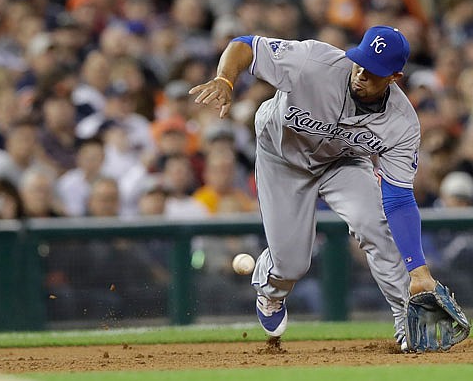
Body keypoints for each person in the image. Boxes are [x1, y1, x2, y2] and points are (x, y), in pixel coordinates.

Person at [189, 25, 458, 349]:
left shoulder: (401, 123)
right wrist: (225, 79)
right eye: (360, 62)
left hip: (342, 163)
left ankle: (405, 323)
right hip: (281, 158)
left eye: (373, 72)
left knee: (375, 225)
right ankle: (270, 289)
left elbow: (399, 200)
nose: (360, 73)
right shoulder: (313, 62)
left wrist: (418, 269)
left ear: (394, 77)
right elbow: (245, 45)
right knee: (292, 264)